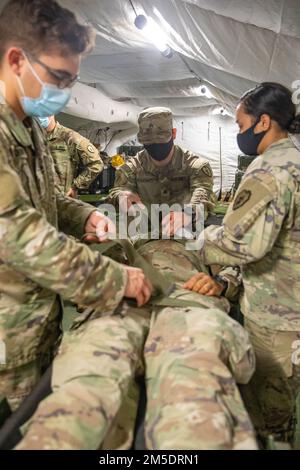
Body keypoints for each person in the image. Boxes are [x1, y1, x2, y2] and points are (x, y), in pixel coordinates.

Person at [0, 0, 151, 411]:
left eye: (72, 81)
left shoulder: (27, 128)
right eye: (60, 78)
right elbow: (18, 235)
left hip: (35, 322)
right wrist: (116, 279)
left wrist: (86, 214)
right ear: (16, 60)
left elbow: (44, 200)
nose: (64, 93)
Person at [16, 238, 257, 450]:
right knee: (90, 371)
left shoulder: (201, 243)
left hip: (189, 300)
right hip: (125, 302)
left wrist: (220, 283)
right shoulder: (128, 243)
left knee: (194, 374)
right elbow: (89, 271)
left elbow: (234, 268)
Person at [198, 82, 300, 444]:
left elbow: (241, 244)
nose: (239, 133)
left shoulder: (269, 169)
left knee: (268, 415)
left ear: (264, 122)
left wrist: (198, 240)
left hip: (276, 317)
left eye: (242, 126)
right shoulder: (296, 161)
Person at [109, 107, 215, 236]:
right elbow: (118, 191)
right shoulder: (131, 168)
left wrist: (188, 214)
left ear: (174, 134)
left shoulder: (195, 166)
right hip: (144, 234)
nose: (155, 146)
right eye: (149, 142)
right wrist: (121, 197)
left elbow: (203, 196)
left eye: (160, 141)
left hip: (182, 235)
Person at [38, 115, 104, 198]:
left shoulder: (69, 137)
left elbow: (96, 164)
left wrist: (75, 186)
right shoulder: (35, 137)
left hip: (64, 201)